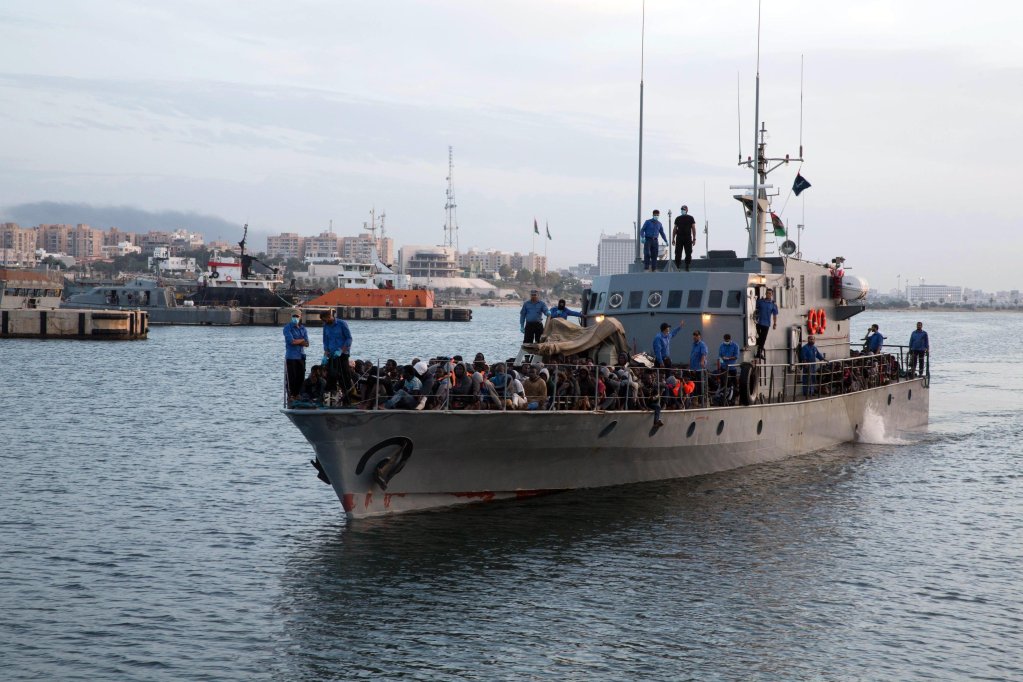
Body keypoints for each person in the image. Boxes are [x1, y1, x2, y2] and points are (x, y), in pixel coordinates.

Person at [320, 309, 353, 402]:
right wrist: (325, 355)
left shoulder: (342, 324)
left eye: (325, 320)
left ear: (329, 316)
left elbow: (349, 339)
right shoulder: (325, 326)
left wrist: (341, 350)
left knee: (344, 377)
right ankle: (331, 400)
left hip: (342, 354)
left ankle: (348, 400)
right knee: (331, 377)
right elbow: (325, 341)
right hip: (331, 355)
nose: (324, 322)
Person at [282, 310, 309, 401]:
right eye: (294, 316)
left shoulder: (303, 329)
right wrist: (301, 340)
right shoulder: (287, 328)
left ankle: (298, 394)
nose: (295, 318)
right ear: (291, 316)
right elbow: (291, 341)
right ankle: (291, 395)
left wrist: (299, 341)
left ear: (300, 317)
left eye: (297, 316)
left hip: (301, 356)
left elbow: (307, 344)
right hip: (291, 356)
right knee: (291, 377)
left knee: (301, 377)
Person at [754, 289, 779, 360]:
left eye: (770, 293)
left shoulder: (773, 305)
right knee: (758, 338)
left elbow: (774, 315)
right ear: (765, 293)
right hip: (758, 323)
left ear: (772, 295)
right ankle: (758, 350)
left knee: (763, 338)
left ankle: (759, 352)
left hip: (766, 324)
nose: (768, 294)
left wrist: (775, 324)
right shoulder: (760, 302)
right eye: (767, 293)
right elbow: (753, 308)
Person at [673, 204, 697, 271]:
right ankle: (677, 266)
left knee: (688, 252)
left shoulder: (691, 218)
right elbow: (675, 229)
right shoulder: (678, 218)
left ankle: (687, 266)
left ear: (687, 210)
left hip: (688, 237)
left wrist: (694, 238)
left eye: (684, 209)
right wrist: (673, 239)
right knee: (678, 253)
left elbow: (693, 228)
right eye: (682, 209)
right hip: (679, 237)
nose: (683, 211)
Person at [718, 332, 740, 399]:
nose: (726, 342)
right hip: (723, 367)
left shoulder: (735, 346)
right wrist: (721, 363)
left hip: (732, 367)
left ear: (730, 339)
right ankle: (723, 395)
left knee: (734, 382)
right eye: (725, 340)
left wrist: (729, 358)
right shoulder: (721, 345)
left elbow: (736, 356)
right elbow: (720, 356)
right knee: (723, 382)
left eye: (727, 341)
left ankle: (735, 395)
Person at [689, 330, 709, 404]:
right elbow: (692, 355)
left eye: (696, 335)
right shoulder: (693, 345)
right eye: (694, 335)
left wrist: (702, 362)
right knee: (693, 384)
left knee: (700, 384)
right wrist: (690, 365)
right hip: (693, 368)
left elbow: (704, 354)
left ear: (699, 336)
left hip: (699, 369)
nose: (695, 336)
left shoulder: (702, 345)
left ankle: (702, 401)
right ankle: (694, 399)